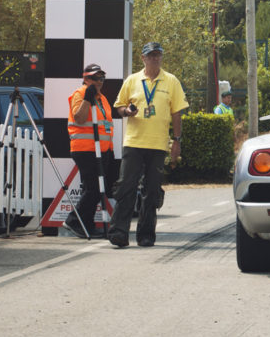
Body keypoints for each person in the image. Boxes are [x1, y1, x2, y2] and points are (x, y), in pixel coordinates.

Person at [106, 41, 188, 248]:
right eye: (150, 55)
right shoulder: (133, 80)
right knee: (126, 186)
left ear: (161, 57)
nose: (154, 58)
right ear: (143, 58)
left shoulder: (171, 81)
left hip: (158, 144)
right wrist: (127, 112)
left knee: (152, 190)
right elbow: (119, 107)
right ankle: (118, 232)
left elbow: (177, 113)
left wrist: (176, 141)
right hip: (134, 142)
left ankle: (146, 234)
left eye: (158, 55)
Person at [66, 63, 115, 239]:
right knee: (93, 188)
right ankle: (74, 220)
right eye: (95, 78)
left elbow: (105, 125)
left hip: (101, 150)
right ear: (86, 78)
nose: (99, 81)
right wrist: (87, 98)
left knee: (93, 188)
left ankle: (86, 225)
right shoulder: (80, 94)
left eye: (101, 78)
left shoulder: (102, 98)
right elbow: (79, 118)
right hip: (86, 149)